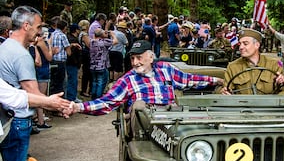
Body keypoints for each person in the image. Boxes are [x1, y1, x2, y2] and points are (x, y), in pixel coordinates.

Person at [69, 40, 223, 133]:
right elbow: (106, 102)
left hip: (172, 121)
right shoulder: (128, 80)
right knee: (139, 105)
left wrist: (216, 80)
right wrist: (78, 107)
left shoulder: (166, 69)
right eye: (132, 58)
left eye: (139, 57)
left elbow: (190, 79)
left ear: (150, 57)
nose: (135, 62)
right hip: (145, 130)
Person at [0, 6, 70, 161]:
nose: (40, 32)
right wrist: (58, 104)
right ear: (26, 26)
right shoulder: (21, 55)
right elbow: (31, 93)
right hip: (17, 120)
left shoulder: (6, 46)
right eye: (38, 27)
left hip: (6, 119)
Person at [220, 28, 284, 95]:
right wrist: (225, 92)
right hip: (242, 105)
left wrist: (280, 84)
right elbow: (227, 90)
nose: (241, 47)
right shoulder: (233, 67)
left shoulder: (274, 65)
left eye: (245, 44)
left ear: (257, 45)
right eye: (240, 44)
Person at [89, 28, 118, 99]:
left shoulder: (92, 41)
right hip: (101, 66)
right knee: (100, 82)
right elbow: (116, 41)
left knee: (94, 82)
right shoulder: (104, 42)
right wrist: (113, 35)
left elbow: (96, 34)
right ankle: (98, 97)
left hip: (93, 65)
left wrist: (102, 33)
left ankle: (93, 96)